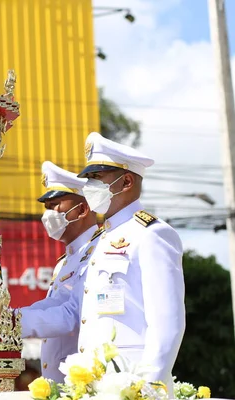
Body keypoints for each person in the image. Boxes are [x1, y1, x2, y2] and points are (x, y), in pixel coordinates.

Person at [0, 161, 103, 383]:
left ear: (83, 209)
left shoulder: (101, 252)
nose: (47, 215)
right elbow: (51, 306)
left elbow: (71, 315)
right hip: (65, 384)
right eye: (46, 207)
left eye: (55, 205)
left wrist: (7, 321)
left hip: (87, 380)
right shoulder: (66, 261)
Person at [77, 132, 185, 391]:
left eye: (97, 178)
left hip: (133, 385)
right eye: (89, 179)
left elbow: (167, 322)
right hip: (95, 385)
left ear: (126, 181)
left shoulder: (152, 234)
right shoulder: (100, 240)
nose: (89, 187)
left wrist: (147, 388)